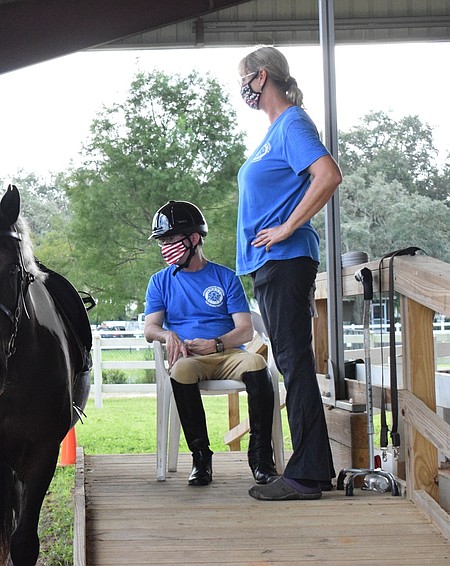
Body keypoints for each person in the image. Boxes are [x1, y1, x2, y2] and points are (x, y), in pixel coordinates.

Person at [236, 46, 342, 501]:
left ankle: (306, 475)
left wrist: (286, 227)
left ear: (262, 77)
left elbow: (328, 174)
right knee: (293, 364)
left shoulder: (293, 123)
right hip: (272, 266)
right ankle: (313, 470)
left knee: (296, 364)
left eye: (244, 79)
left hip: (287, 262)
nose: (241, 89)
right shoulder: (274, 132)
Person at [143, 201, 277, 487]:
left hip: (227, 354)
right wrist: (169, 335)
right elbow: (150, 328)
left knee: (257, 363)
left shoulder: (225, 277)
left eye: (171, 240)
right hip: (190, 358)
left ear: (193, 239)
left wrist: (216, 344)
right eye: (162, 242)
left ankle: (261, 457)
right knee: (181, 371)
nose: (165, 247)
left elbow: (244, 330)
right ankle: (201, 457)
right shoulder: (159, 282)